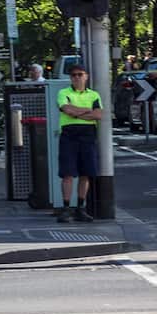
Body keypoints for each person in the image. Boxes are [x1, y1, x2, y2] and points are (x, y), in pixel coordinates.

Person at [56, 64, 103, 222]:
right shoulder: (63, 92)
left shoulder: (94, 95)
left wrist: (76, 113)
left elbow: (98, 115)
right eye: (73, 75)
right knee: (67, 173)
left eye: (80, 74)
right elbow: (66, 109)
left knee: (86, 173)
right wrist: (86, 111)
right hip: (69, 134)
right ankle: (66, 208)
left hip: (88, 134)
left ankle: (80, 208)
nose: (77, 77)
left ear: (86, 76)